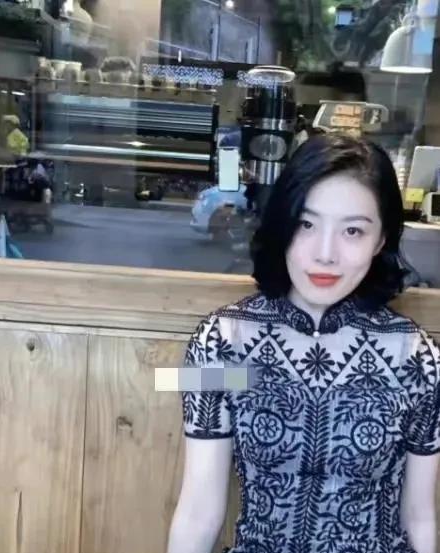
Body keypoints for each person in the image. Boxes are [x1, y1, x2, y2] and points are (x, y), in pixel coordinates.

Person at [167, 133, 440, 553]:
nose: (325, 254)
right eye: (306, 224)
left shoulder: (417, 359)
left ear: (381, 239)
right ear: (283, 225)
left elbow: (419, 517)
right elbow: (198, 511)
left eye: (353, 230)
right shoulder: (220, 345)